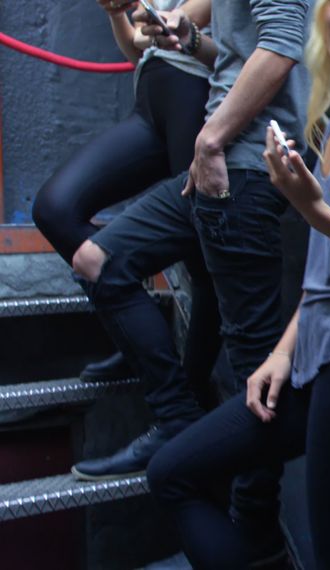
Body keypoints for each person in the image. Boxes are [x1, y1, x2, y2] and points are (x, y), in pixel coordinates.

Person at [145, 1, 330, 567]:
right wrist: (282, 352)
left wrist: (313, 211)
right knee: (172, 471)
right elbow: (323, 275)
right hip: (310, 357)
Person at [66, 0, 311, 502]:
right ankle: (178, 416)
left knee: (255, 376)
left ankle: (255, 527)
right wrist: (193, 40)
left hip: (244, 169)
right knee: (97, 261)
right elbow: (242, 54)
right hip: (217, 169)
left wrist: (210, 140)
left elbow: (282, 44)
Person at [31, 0, 221, 392]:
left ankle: (188, 398)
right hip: (151, 102)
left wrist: (142, 17)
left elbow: (184, 21)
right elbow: (138, 48)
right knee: (55, 209)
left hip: (196, 92)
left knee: (202, 262)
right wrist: (115, 13)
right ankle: (143, 334)